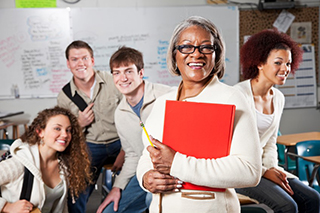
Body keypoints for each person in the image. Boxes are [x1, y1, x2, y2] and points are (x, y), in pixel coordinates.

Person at [136, 16, 262, 212]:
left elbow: (249, 171)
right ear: (174, 54)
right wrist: (145, 177)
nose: (196, 54)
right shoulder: (163, 101)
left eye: (206, 47)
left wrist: (176, 163)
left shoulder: (231, 98)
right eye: (186, 47)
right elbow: (148, 154)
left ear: (215, 54)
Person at [234, 29, 320, 213]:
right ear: (259, 63)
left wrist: (272, 169)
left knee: (312, 198)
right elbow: (231, 148)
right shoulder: (237, 95)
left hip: (265, 168)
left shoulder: (278, 98)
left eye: (288, 63)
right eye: (278, 63)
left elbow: (271, 142)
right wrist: (266, 172)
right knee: (287, 206)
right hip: (240, 171)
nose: (285, 69)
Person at [97, 46, 173, 213]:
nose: (122, 78)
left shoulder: (168, 96)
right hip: (145, 171)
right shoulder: (120, 114)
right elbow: (132, 155)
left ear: (141, 73)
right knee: (109, 211)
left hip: (175, 170)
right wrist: (117, 187)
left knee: (151, 199)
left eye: (128, 71)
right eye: (116, 73)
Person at [57, 40, 124, 213]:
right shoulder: (64, 96)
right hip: (90, 146)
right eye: (74, 59)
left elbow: (134, 118)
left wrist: (126, 151)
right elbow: (62, 134)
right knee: (76, 189)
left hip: (121, 142)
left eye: (84, 58)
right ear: (68, 63)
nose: (80, 63)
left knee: (142, 176)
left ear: (92, 60)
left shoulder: (114, 81)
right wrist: (78, 124)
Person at [0, 106, 92, 213]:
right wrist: (6, 207)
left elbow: (62, 206)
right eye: (57, 128)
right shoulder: (19, 163)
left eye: (68, 130)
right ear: (40, 132)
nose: (65, 135)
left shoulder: (64, 165)